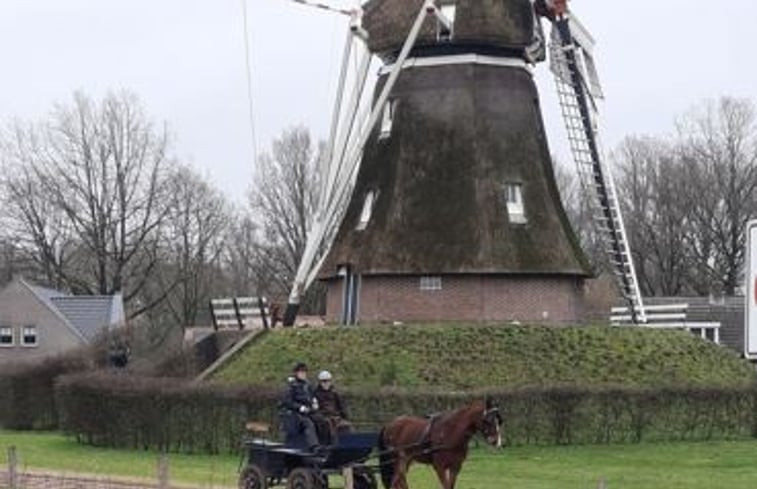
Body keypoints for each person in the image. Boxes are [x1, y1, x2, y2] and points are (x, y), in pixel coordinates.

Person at [280, 362, 323, 453]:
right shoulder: (291, 386)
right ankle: (314, 446)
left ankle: (325, 444)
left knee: (321, 420)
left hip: (307, 411)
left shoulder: (307, 385)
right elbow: (287, 402)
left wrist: (314, 402)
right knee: (308, 423)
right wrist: (300, 407)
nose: (303, 374)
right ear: (296, 373)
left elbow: (312, 396)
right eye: (301, 372)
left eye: (304, 372)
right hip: (294, 414)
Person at [314, 370, 352, 442]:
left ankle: (348, 442)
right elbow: (315, 408)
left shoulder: (334, 393)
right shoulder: (315, 394)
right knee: (327, 425)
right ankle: (329, 444)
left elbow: (341, 406)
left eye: (328, 381)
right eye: (324, 381)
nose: (326, 383)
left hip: (335, 416)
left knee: (346, 425)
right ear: (320, 382)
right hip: (323, 417)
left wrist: (345, 415)